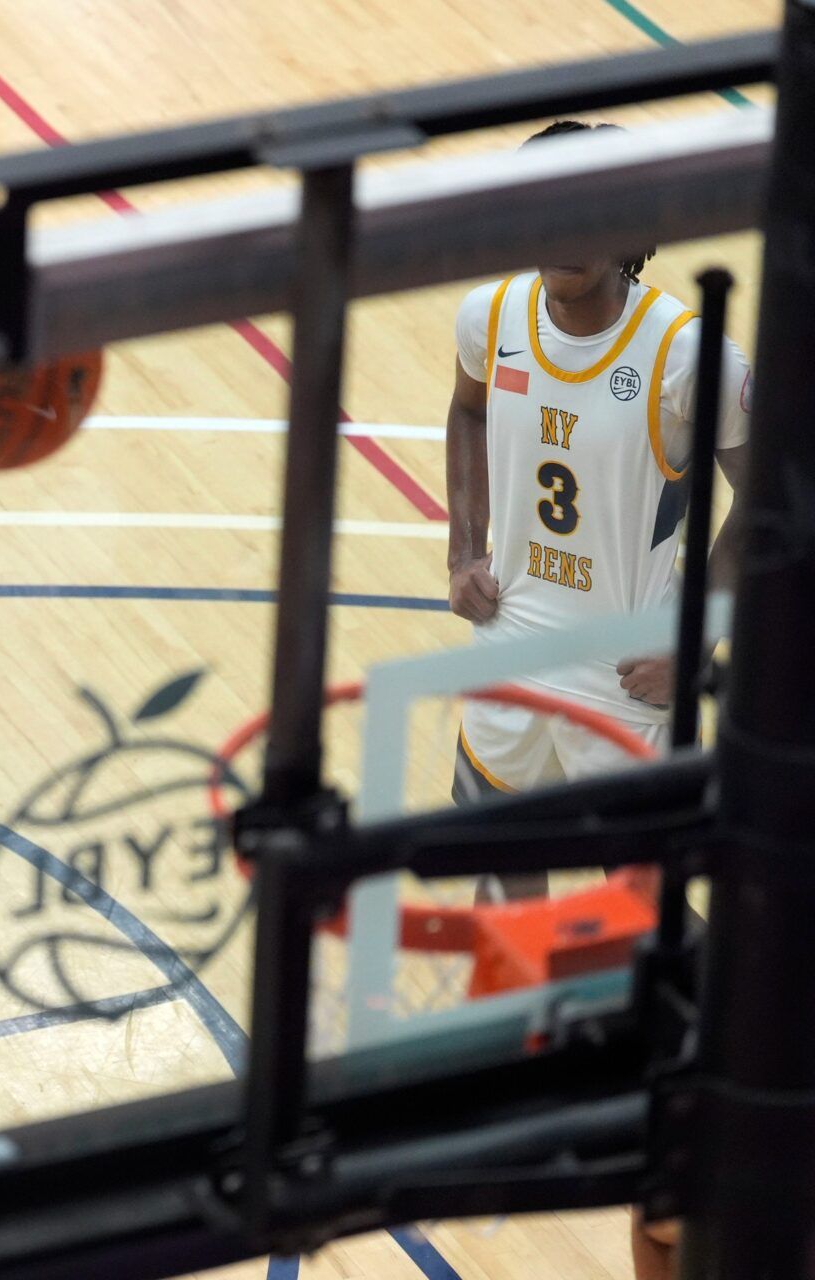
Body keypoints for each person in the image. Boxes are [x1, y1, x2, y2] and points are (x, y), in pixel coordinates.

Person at [443, 120, 751, 1278]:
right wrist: (464, 543)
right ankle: (527, 1068)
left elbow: (767, 482)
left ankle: (728, 1040)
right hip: (512, 635)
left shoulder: (689, 351)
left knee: (646, 901)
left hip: (627, 663)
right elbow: (469, 409)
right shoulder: (489, 311)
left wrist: (697, 630)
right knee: (498, 846)